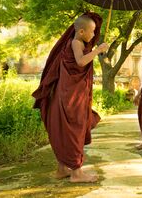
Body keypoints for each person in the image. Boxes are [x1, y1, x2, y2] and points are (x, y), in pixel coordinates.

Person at [32, 12, 108, 183]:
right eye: (93, 31)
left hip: (69, 93)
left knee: (67, 129)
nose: (94, 34)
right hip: (71, 95)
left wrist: (98, 50)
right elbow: (81, 62)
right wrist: (98, 50)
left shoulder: (77, 43)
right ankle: (76, 173)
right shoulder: (76, 43)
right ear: (81, 32)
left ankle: (62, 169)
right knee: (75, 127)